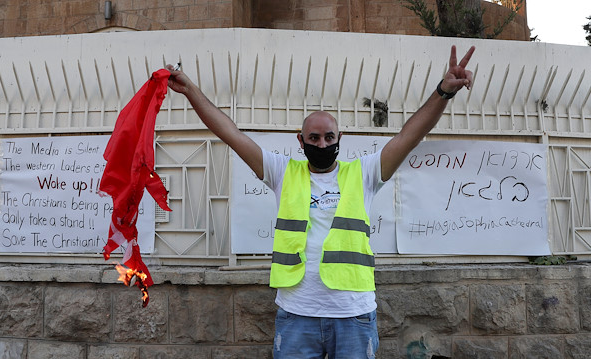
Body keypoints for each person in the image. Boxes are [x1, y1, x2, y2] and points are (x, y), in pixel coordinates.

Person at [166, 45, 475, 359]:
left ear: (340, 140)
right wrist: (190, 90)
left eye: (329, 137)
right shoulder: (282, 172)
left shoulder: (365, 173)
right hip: (298, 314)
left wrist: (443, 92)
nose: (322, 143)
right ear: (300, 141)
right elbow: (230, 133)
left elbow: (410, 135)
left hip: (353, 314)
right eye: (313, 138)